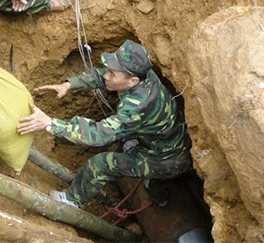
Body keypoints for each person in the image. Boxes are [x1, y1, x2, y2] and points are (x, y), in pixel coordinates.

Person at [17, 40, 192, 209]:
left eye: (113, 74)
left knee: (101, 164)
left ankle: (73, 201)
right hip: (168, 141)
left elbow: (98, 135)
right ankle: (158, 194)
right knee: (129, 147)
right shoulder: (143, 74)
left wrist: (50, 123)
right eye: (110, 70)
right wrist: (69, 85)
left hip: (166, 160)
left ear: (132, 82)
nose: (107, 75)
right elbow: (103, 77)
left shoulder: (137, 107)